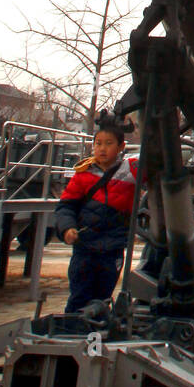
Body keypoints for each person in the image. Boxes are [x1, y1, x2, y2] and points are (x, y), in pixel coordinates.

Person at [54, 113, 138, 313]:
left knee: (102, 298)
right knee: (79, 297)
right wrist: (67, 228)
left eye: (108, 143)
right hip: (85, 246)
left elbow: (157, 164)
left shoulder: (132, 171)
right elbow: (66, 206)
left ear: (121, 147)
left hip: (112, 249)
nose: (102, 148)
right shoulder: (84, 174)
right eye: (98, 143)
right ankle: (72, 334)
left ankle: (96, 336)